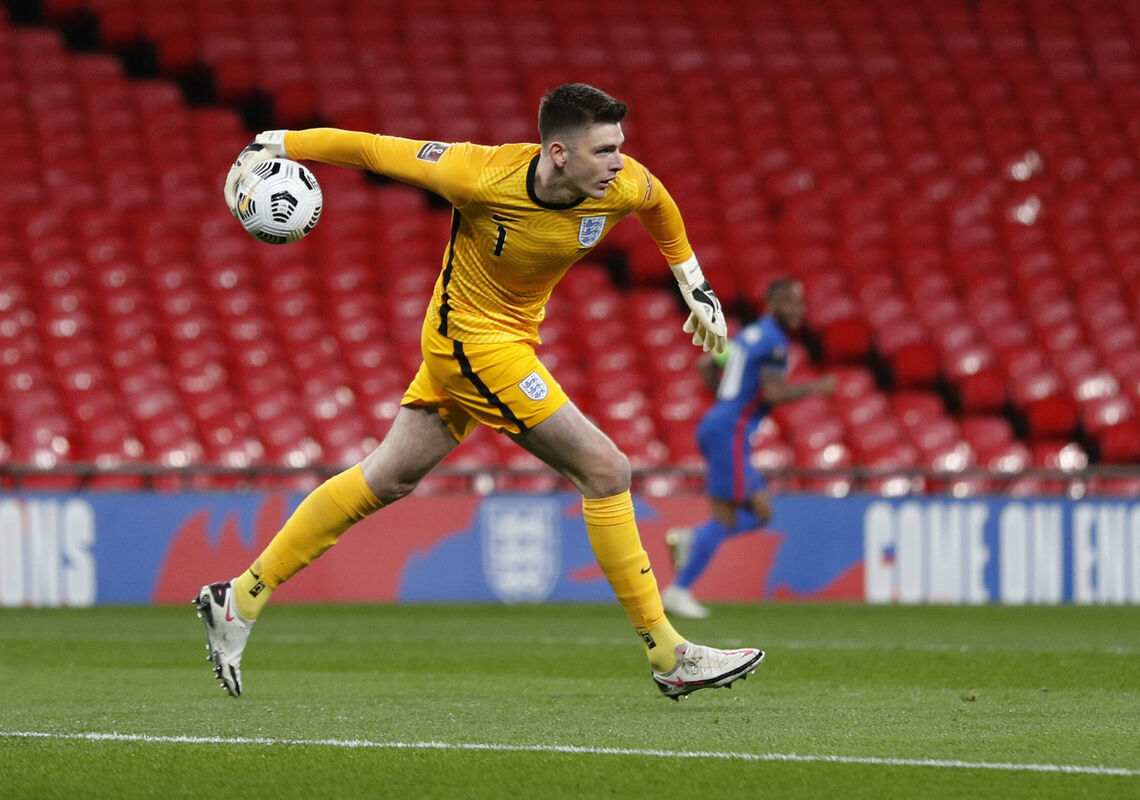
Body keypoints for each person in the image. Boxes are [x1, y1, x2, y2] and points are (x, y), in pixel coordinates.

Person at [194, 84, 764, 700]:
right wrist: (276, 142)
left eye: (619, 147)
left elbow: (659, 203)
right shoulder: (480, 174)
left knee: (388, 478)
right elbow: (372, 150)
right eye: (604, 150)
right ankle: (668, 653)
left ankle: (240, 597)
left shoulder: (621, 184)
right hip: (470, 343)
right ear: (557, 153)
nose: (618, 162)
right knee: (606, 470)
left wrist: (694, 284)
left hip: (500, 341)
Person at [662, 279, 835, 619]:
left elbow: (705, 365)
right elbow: (773, 393)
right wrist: (816, 388)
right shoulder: (774, 342)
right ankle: (678, 589)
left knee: (763, 512)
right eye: (789, 302)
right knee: (725, 518)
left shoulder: (749, 335)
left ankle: (694, 539)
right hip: (730, 431)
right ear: (770, 303)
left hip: (723, 426)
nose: (797, 310)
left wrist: (728, 400)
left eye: (800, 303)